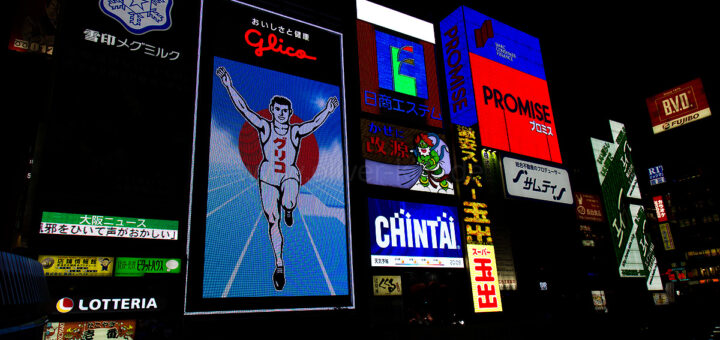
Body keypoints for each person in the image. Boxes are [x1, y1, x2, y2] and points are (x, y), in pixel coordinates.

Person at [216, 66, 339, 290]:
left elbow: (314, 124)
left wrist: (328, 111)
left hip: (289, 174)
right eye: (278, 109)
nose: (282, 113)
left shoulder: (295, 131)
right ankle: (279, 264)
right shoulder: (264, 127)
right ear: (272, 110)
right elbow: (244, 109)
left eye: (285, 110)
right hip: (269, 176)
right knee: (273, 220)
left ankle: (289, 207)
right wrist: (228, 85)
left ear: (289, 113)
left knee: (289, 202)